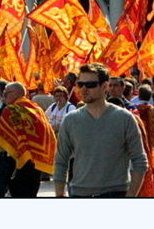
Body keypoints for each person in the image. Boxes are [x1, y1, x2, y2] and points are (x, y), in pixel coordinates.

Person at [53, 63, 148, 197]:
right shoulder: (70, 120)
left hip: (116, 193)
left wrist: (131, 195)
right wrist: (59, 194)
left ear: (104, 86)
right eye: (80, 84)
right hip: (79, 193)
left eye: (90, 84)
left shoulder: (124, 118)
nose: (84, 89)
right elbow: (61, 160)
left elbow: (139, 160)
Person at [0, 82, 55, 198]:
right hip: (36, 161)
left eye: (6, 93)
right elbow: (48, 133)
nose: (4, 97)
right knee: (31, 193)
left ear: (16, 94)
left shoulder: (11, 110)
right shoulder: (37, 109)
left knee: (18, 193)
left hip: (18, 161)